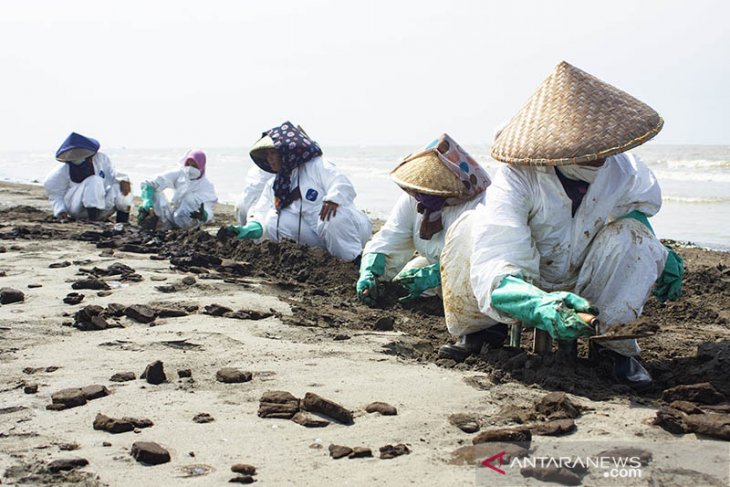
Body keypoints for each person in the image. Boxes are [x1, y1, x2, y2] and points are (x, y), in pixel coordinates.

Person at [438, 61, 684, 390]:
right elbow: (497, 254)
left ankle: (613, 346)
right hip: (526, 277)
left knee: (636, 237)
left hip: (584, 273)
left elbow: (637, 214)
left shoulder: (624, 169)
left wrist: (661, 255)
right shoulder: (517, 177)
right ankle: (482, 331)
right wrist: (537, 304)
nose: (598, 153)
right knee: (469, 226)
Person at [356, 134, 490, 305]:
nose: (422, 195)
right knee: (403, 279)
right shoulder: (413, 200)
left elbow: (478, 258)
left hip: (472, 275)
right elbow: (391, 237)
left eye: (433, 188)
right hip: (435, 264)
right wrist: (369, 270)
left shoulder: (478, 206)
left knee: (460, 297)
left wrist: (435, 275)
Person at [221, 122, 371, 261]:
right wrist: (249, 229)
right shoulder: (275, 184)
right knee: (274, 221)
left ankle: (352, 261)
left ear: (286, 151)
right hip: (316, 235)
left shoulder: (316, 166)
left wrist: (333, 198)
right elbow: (262, 210)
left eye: (273, 153)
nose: (269, 159)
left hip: (350, 229)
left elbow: (340, 181)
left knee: (333, 216)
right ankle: (317, 258)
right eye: (267, 155)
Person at [44, 132, 132, 222]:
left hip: (102, 208)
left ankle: (122, 222)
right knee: (94, 180)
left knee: (121, 187)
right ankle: (92, 220)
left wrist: (123, 180)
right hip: (77, 208)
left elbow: (113, 175)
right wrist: (60, 211)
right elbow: (56, 194)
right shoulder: (61, 171)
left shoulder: (101, 159)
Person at [138, 149, 217, 230]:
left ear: (201, 166)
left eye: (194, 166)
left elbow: (209, 208)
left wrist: (204, 215)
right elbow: (153, 182)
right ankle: (156, 223)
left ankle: (183, 226)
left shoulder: (206, 186)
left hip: (188, 224)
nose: (190, 168)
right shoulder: (180, 174)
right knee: (155, 192)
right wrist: (147, 199)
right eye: (188, 164)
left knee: (189, 198)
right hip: (171, 216)